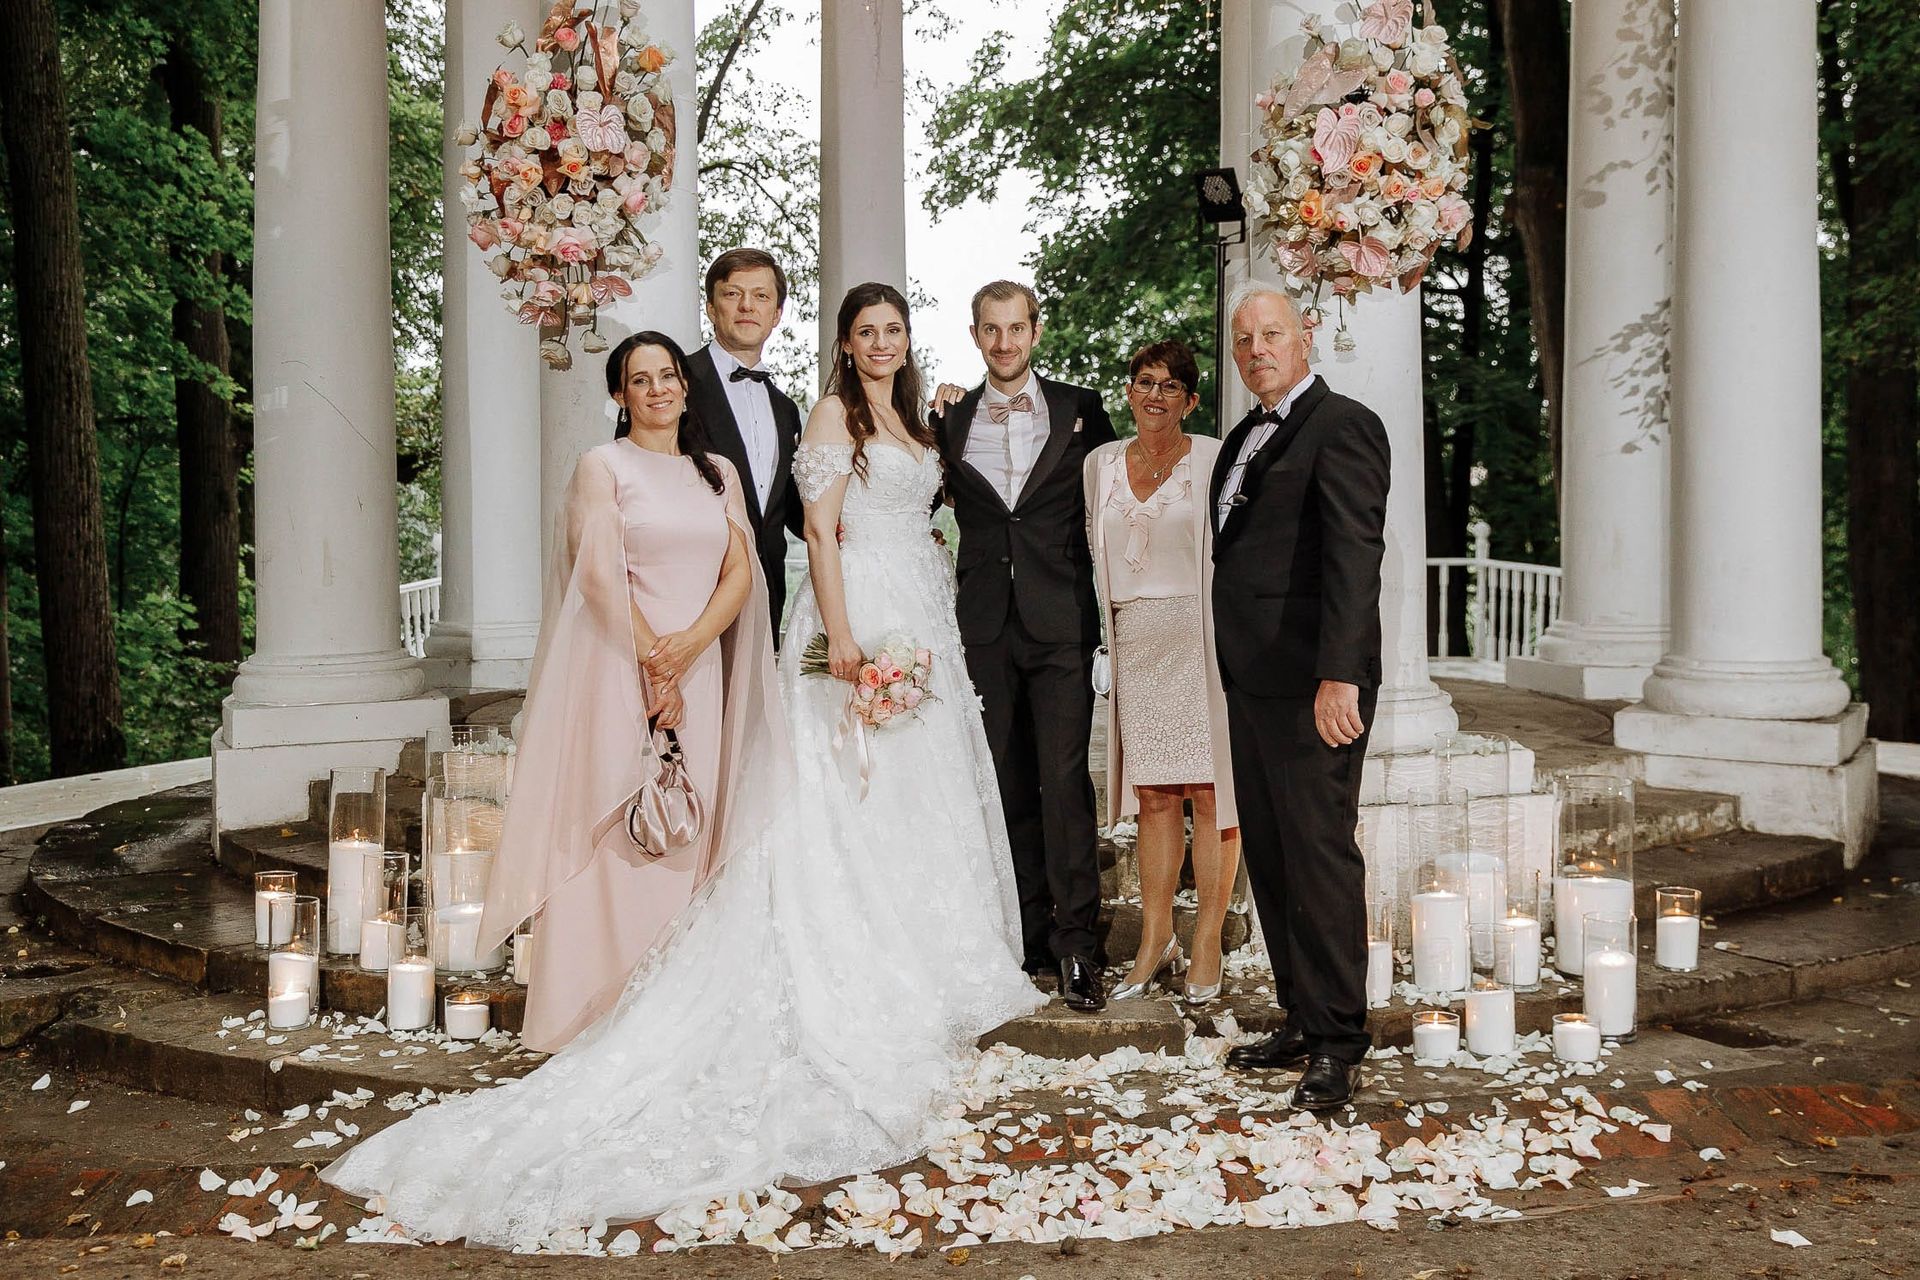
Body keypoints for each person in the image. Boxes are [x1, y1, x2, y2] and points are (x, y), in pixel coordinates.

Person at [321, 286, 1041, 1246]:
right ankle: (621, 987)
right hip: (834, 614)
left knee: (920, 797)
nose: (879, 342)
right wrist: (841, 633)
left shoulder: (903, 420)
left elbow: (759, 549)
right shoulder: (783, 422)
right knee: (826, 800)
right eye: (864, 330)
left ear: (910, 340)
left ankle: (924, 946)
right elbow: (817, 531)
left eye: (893, 329)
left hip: (916, 613)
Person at [475, 332, 776, 1053]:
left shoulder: (718, 474)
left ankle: (678, 1006)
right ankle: (592, 1012)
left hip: (699, 671)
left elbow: (742, 571)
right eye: (640, 381)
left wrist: (693, 647)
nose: (658, 390)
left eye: (667, 376)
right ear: (619, 395)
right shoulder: (601, 468)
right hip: (618, 668)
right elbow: (600, 577)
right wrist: (653, 667)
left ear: (683, 385)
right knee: (621, 826)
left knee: (686, 821)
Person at [1209, 281, 1390, 1112]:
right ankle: (1298, 1015)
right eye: (1245, 340)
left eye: (1271, 335)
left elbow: (1355, 557)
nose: (1257, 351)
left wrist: (1341, 674)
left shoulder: (1344, 425)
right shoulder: (1244, 434)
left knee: (1319, 858)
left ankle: (1338, 1042)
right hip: (1252, 680)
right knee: (1275, 861)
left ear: (1305, 335)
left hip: (1316, 684)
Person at [929, 281, 1118, 1013]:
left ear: (1036, 332)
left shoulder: (1081, 410)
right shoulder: (947, 417)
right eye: (990, 330)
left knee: (1064, 784)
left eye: (1016, 329)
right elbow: (914, 497)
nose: (1004, 343)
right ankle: (1026, 934)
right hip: (980, 625)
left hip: (1062, 622)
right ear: (975, 336)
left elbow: (1119, 500)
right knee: (1003, 783)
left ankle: (1077, 947)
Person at [1083, 339, 1241, 1007]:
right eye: (1145, 382)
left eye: (1171, 386)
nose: (1156, 394)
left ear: (1192, 399)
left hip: (1199, 636)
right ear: (1128, 391)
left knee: (1209, 794)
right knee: (1152, 797)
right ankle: (1155, 938)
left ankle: (1205, 937)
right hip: (1134, 640)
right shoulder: (1098, 465)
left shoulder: (1211, 457)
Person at [684, 248, 805, 634]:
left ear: (776, 315)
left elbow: (788, 510)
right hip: (690, 584)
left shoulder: (785, 409)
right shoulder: (676, 381)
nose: (747, 306)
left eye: (761, 296)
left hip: (766, 583)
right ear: (711, 306)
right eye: (733, 294)